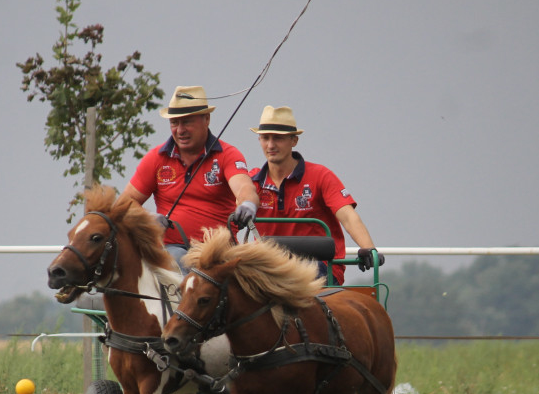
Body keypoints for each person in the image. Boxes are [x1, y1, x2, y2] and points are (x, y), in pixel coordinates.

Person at [121, 85, 260, 270]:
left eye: (187, 122)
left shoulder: (228, 154)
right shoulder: (156, 158)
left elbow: (244, 188)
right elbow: (125, 203)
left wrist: (247, 205)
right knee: (177, 260)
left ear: (207, 119)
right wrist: (147, 218)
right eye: (174, 123)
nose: (180, 130)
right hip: (172, 249)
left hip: (218, 252)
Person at [248, 105, 384, 285]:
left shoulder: (321, 176)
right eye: (265, 138)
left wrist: (368, 248)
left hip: (320, 267)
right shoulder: (251, 181)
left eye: (278, 138)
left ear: (294, 140)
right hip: (269, 269)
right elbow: (232, 218)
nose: (271, 145)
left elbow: (348, 217)